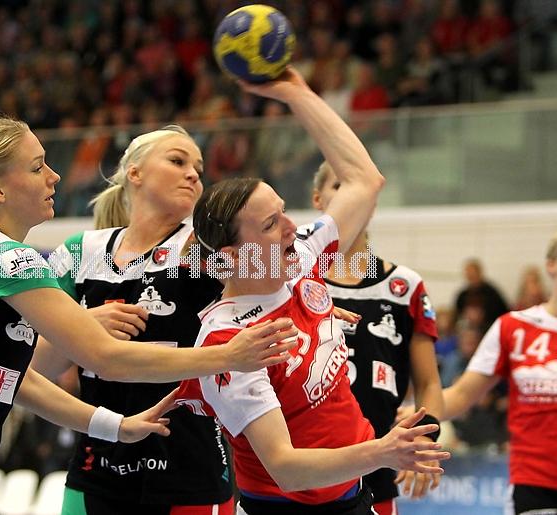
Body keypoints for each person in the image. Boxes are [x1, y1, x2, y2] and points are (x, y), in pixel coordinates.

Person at [0, 117, 297, 515]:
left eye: (198, 167)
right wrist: (228, 356)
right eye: (37, 167)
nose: (55, 176)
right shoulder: (17, 257)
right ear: (134, 173)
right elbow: (99, 358)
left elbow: (14, 376)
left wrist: (113, 423)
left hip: (180, 467)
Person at [177, 68, 449, 515]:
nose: (291, 227)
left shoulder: (299, 260)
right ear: (234, 254)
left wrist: (295, 93)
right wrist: (382, 451)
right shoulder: (230, 341)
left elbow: (365, 181)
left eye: (283, 212)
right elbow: (286, 469)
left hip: (352, 495)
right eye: (271, 224)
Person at [33, 124, 236, 515]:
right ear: (135, 173)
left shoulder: (201, 250)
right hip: (96, 470)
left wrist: (309, 287)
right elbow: (34, 368)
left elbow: (283, 266)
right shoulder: (79, 251)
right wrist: (82, 328)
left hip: (188, 472)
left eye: (198, 168)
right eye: (177, 161)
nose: (193, 174)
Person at [311, 162, 444, 513]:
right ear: (318, 200)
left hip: (377, 473)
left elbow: (429, 382)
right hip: (301, 471)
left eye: (360, 189)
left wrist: (426, 435)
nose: (352, 197)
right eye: (340, 186)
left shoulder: (405, 286)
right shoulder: (293, 280)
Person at [409, 235, 557, 514]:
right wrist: (420, 416)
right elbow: (463, 394)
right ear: (551, 264)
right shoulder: (513, 327)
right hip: (534, 483)